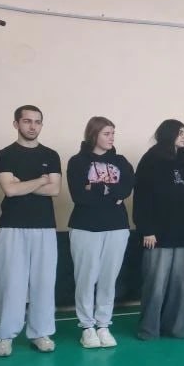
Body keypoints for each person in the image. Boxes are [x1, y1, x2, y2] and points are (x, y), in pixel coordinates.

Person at [0, 105, 62, 357]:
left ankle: (41, 333)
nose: (32, 126)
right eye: (27, 121)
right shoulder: (5, 155)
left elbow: (55, 189)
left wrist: (23, 184)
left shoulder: (51, 155)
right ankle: (5, 335)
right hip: (12, 227)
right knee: (11, 283)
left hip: (45, 227)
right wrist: (41, 180)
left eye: (37, 122)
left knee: (44, 283)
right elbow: (10, 190)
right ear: (16, 124)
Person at [67, 116, 134, 349]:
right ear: (93, 134)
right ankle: (87, 326)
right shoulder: (78, 162)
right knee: (86, 278)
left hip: (117, 227)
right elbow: (79, 195)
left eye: (113, 133)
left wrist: (97, 188)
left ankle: (103, 324)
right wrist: (110, 193)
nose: (111, 137)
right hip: (85, 227)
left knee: (108, 278)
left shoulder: (121, 161)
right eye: (106, 133)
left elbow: (126, 188)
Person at [133, 119, 184, 339]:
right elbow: (142, 197)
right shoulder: (151, 159)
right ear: (168, 134)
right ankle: (149, 329)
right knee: (155, 284)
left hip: (182, 233)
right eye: (180, 132)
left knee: (179, 285)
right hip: (157, 234)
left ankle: (175, 328)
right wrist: (146, 229)